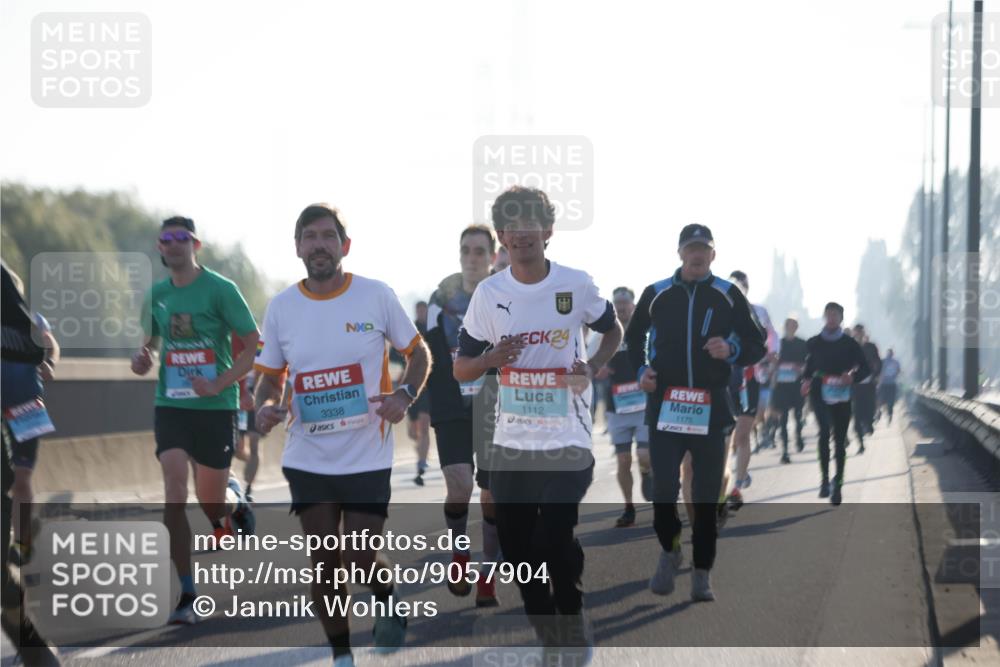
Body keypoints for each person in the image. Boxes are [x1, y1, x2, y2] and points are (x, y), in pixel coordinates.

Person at [254, 204, 430, 667]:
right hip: (308, 455)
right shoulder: (282, 307)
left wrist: (405, 395)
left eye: (328, 236)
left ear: (344, 246)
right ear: (297, 247)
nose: (319, 245)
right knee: (326, 561)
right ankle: (342, 655)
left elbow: (419, 354)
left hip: (367, 452)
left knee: (358, 555)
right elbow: (270, 377)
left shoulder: (376, 295)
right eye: (310, 236)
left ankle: (386, 597)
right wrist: (263, 406)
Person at [455, 186, 622, 661]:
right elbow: (461, 368)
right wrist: (490, 359)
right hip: (511, 444)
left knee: (553, 535)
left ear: (548, 230)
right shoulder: (489, 294)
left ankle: (571, 613)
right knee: (517, 548)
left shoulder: (576, 284)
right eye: (512, 225)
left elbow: (612, 329)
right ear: (502, 236)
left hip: (568, 436)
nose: (521, 233)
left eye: (530, 223)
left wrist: (593, 364)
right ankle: (547, 628)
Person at [626, 225, 765, 602]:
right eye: (691, 248)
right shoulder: (656, 293)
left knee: (705, 497)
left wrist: (732, 350)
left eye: (704, 248)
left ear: (713, 255)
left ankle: (702, 572)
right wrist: (641, 370)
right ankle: (670, 550)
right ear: (680, 253)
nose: (697, 254)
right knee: (663, 491)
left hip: (711, 410)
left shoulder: (728, 294)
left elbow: (757, 343)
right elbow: (633, 338)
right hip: (666, 408)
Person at [132, 217, 259, 625]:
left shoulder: (221, 289)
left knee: (211, 503)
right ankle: (186, 591)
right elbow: (150, 345)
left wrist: (220, 382)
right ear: (160, 247)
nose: (173, 244)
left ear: (195, 244)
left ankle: (234, 501)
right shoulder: (156, 295)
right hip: (170, 404)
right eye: (166, 239)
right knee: (174, 490)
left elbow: (252, 345)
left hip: (215, 407)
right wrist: (142, 358)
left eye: (181, 238)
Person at [423, 223, 502, 607]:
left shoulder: (506, 295)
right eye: (466, 251)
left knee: (491, 496)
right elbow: (427, 354)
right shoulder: (440, 300)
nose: (472, 258)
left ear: (492, 257)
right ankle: (459, 553)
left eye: (479, 252)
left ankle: (487, 575)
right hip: (451, 405)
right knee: (459, 485)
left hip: (495, 406)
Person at [1, 262, 61, 666]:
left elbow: (49, 344)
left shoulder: (28, 319)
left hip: (24, 398)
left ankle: (22, 540)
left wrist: (48, 362)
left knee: (22, 476)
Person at [591, 287, 652, 528]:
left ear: (633, 305)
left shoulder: (645, 331)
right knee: (624, 459)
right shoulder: (602, 335)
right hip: (617, 407)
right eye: (617, 302)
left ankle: (646, 473)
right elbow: (589, 363)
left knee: (644, 456)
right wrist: (598, 369)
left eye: (625, 302)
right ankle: (628, 507)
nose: (621, 307)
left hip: (644, 405)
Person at [801, 303, 871, 506]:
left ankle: (838, 483)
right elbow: (809, 367)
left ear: (841, 318)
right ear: (824, 317)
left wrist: (852, 376)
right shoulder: (814, 342)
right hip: (819, 393)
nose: (831, 318)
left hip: (842, 394)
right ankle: (824, 480)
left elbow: (865, 369)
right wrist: (805, 381)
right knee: (824, 433)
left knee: (839, 440)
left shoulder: (850, 344)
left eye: (835, 315)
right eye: (828, 315)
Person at [723, 271, 777, 509]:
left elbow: (771, 338)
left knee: (742, 434)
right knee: (725, 439)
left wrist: (770, 355)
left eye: (740, 288)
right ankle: (724, 483)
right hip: (722, 381)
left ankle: (737, 484)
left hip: (749, 379)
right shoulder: (716, 311)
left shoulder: (758, 312)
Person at [772, 318, 808, 463]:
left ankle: (798, 435)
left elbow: (808, 363)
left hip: (797, 385)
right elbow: (772, 362)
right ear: (785, 327)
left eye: (793, 325)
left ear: (796, 327)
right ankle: (785, 451)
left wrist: (801, 369)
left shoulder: (802, 344)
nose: (790, 328)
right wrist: (774, 365)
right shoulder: (778, 344)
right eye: (788, 325)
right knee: (783, 419)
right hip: (782, 386)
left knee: (798, 416)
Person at [407, 301, 432, 485]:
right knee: (412, 432)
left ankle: (421, 463)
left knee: (424, 426)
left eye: (424, 310)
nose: (421, 313)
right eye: (419, 310)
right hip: (410, 383)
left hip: (428, 386)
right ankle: (421, 453)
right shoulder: (409, 329)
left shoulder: (433, 329)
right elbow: (395, 354)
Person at [850, 324, 882, 454]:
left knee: (870, 408)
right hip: (855, 386)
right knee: (856, 415)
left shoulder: (871, 347)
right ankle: (861, 444)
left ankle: (869, 423)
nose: (859, 335)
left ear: (864, 333)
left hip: (869, 384)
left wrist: (876, 375)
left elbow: (878, 363)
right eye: (856, 333)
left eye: (861, 332)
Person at [878, 349, 901, 423]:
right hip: (890, 384)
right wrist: (894, 376)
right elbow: (898, 371)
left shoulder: (883, 361)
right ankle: (888, 413)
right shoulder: (895, 362)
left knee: (883, 399)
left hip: (885, 383)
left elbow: (878, 370)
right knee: (890, 400)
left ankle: (883, 412)